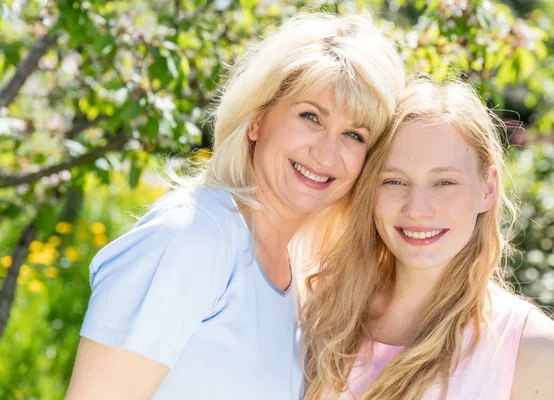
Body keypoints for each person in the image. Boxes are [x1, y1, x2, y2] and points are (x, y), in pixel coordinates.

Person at [64, 12, 405, 400]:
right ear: (257, 119)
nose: (326, 153)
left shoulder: (299, 275)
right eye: (311, 116)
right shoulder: (192, 238)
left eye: (354, 135)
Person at [302, 78, 554, 400]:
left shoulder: (530, 348)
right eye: (394, 181)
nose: (417, 209)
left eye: (444, 182)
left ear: (488, 189)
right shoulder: (320, 311)